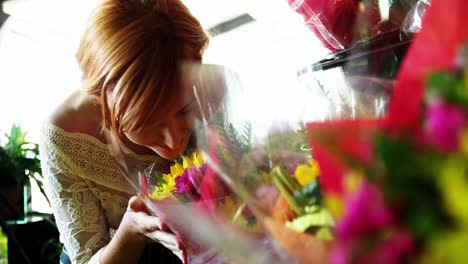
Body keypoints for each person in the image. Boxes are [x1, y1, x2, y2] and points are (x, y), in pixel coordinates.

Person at [39, 0, 211, 263]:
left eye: (184, 108)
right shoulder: (65, 134)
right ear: (104, 102)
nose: (175, 141)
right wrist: (131, 230)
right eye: (148, 120)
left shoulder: (217, 90)